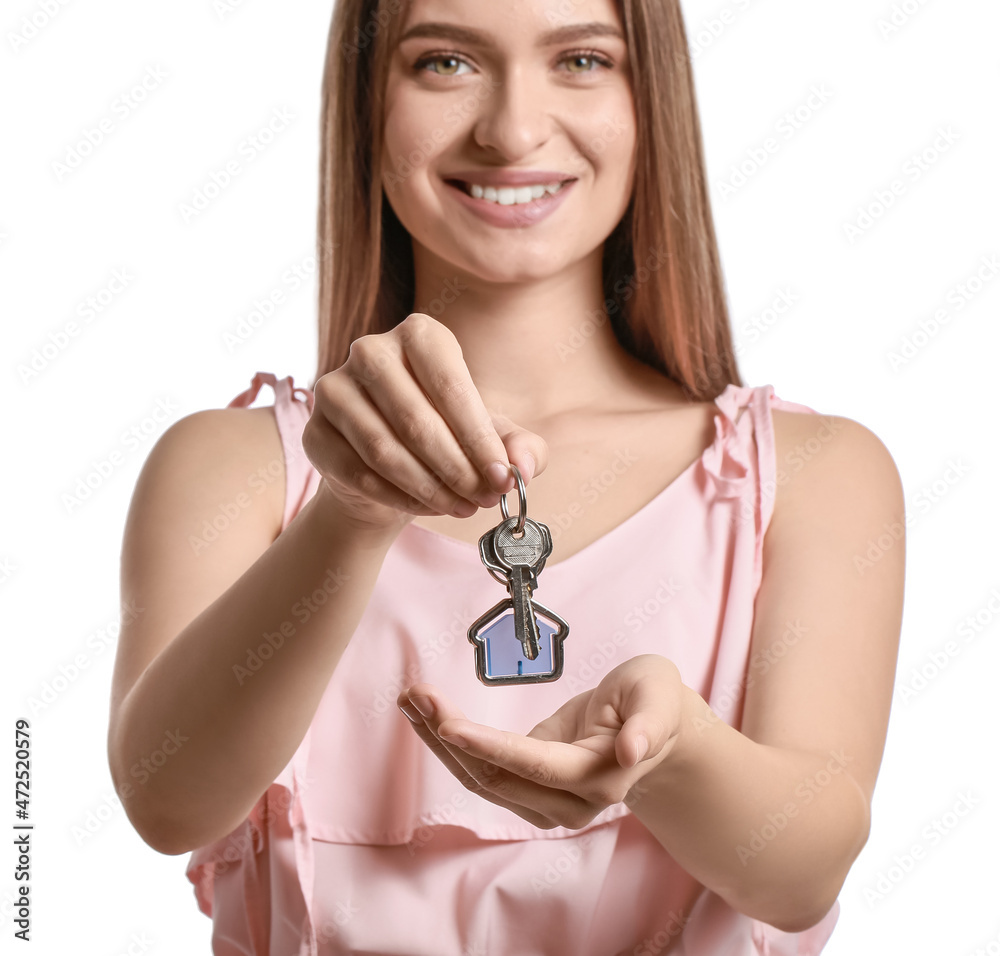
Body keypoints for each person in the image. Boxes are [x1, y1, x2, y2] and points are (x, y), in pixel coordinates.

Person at [106, 0, 906, 953]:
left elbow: (803, 870)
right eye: (445, 62)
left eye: (580, 59)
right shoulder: (232, 469)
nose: (513, 129)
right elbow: (167, 803)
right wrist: (348, 518)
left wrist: (674, 753)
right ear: (368, 97)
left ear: (650, 93)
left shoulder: (810, 476)